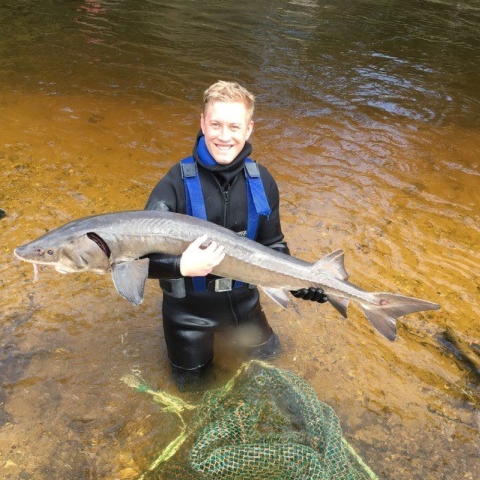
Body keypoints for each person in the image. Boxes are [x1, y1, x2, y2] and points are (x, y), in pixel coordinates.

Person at [144, 81, 327, 387]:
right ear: (202, 123)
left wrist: (298, 282)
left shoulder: (262, 181)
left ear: (249, 129)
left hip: (245, 308)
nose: (224, 136)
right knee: (191, 390)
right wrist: (180, 267)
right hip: (188, 316)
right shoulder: (174, 183)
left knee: (275, 370)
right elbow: (138, 258)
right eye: (215, 124)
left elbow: (273, 245)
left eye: (234, 126)